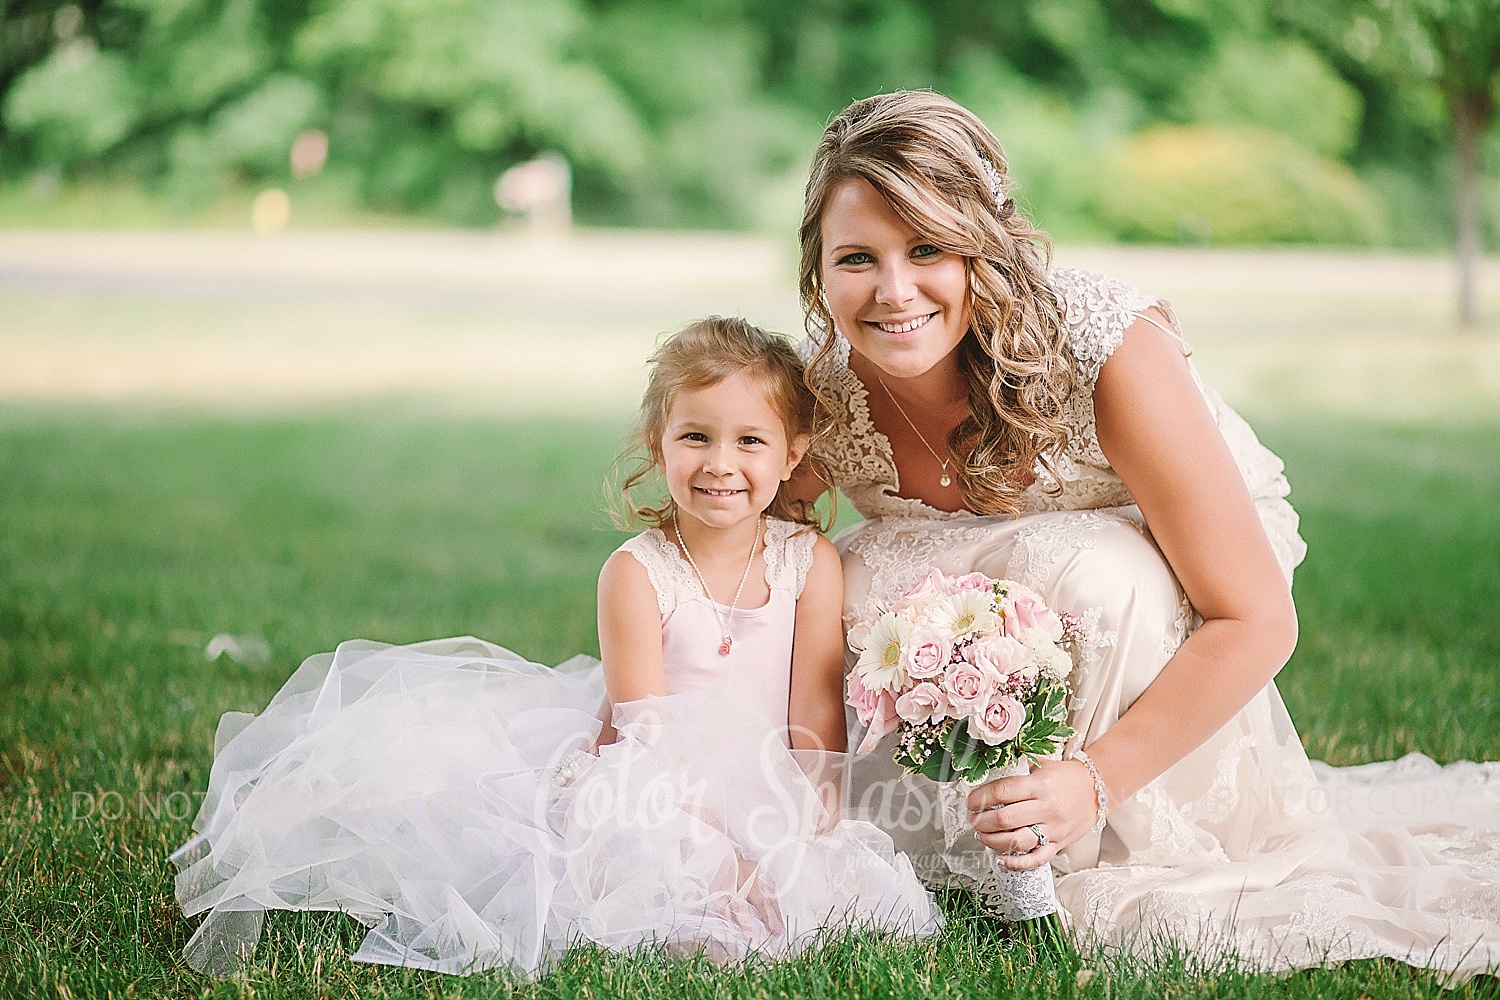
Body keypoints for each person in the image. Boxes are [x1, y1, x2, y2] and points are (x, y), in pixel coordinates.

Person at [791, 90, 1498, 975]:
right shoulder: (823, 397)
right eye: (859, 258)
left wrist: (1094, 780)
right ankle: (926, 841)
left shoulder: (1103, 347)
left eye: (929, 247)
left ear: (988, 247)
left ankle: (1081, 828)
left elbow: (1258, 619)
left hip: (1182, 573)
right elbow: (750, 561)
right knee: (849, 578)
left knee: (1090, 573)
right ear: (818, 269)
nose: (895, 291)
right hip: (1005, 595)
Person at [170, 317, 941, 979]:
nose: (720, 464)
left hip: (771, 776)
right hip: (652, 787)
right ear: (657, 440)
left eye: (750, 441)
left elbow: (813, 703)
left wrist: (811, 823)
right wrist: (717, 851)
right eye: (695, 437)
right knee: (675, 901)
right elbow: (648, 736)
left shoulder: (810, 562)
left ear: (792, 450)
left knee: (839, 896)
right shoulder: (637, 574)